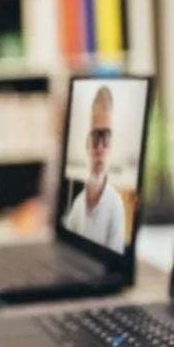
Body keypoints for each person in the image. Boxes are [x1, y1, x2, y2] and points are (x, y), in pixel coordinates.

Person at [62, 86, 126, 253]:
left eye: (106, 138)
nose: (100, 148)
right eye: (95, 136)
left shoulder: (116, 205)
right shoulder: (77, 205)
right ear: (87, 145)